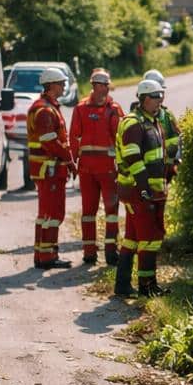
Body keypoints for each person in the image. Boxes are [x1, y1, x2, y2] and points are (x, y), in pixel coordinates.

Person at [113, 77, 177, 297]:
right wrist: (144, 189)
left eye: (161, 96)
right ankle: (147, 287)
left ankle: (122, 285)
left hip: (149, 191)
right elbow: (133, 158)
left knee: (132, 239)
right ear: (144, 98)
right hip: (139, 192)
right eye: (156, 96)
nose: (160, 100)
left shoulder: (152, 121)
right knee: (150, 239)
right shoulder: (134, 123)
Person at [68, 68, 124, 265]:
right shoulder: (87, 108)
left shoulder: (111, 109)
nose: (107, 89)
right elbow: (73, 138)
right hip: (92, 170)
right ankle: (89, 253)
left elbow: (122, 138)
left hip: (105, 168)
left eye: (107, 86)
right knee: (89, 212)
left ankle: (110, 252)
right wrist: (73, 163)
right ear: (95, 86)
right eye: (104, 85)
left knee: (110, 211)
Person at [27, 67, 75, 269]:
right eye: (62, 83)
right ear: (52, 85)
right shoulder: (45, 110)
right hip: (50, 169)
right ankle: (48, 257)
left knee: (45, 214)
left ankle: (41, 255)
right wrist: (69, 160)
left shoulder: (46, 107)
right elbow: (50, 142)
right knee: (54, 214)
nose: (64, 87)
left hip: (47, 169)